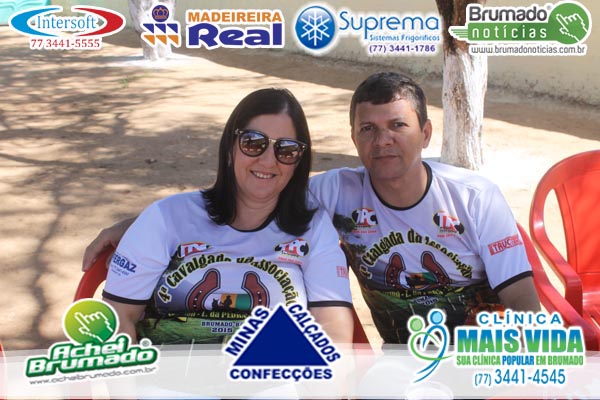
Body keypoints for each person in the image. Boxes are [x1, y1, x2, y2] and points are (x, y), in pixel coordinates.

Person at [86, 73, 540, 344]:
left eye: (397, 126)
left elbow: (522, 298)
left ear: (424, 134)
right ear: (353, 137)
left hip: (482, 351)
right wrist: (144, 221)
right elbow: (250, 191)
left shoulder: (475, 197)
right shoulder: (335, 192)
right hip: (404, 359)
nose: (382, 140)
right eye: (368, 128)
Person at [101, 88, 354, 345]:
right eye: (253, 143)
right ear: (230, 149)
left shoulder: (314, 228)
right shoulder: (165, 218)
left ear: (298, 162)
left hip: (275, 370)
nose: (269, 161)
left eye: (287, 150)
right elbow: (117, 318)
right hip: (164, 369)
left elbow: (333, 329)